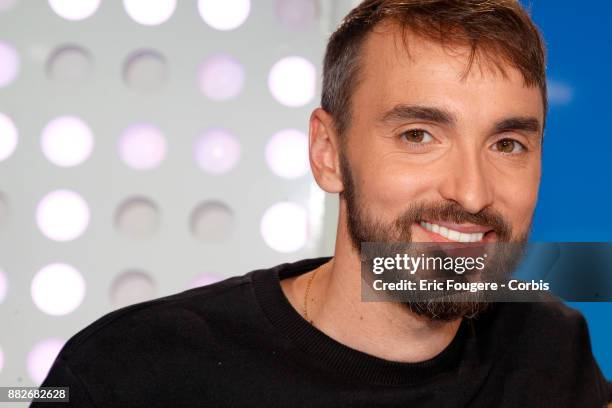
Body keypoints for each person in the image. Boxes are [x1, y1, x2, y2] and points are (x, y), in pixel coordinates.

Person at [33, 0, 611, 406]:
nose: (471, 192)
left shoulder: (551, 350)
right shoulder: (129, 372)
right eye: (418, 135)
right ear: (328, 152)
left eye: (507, 143)